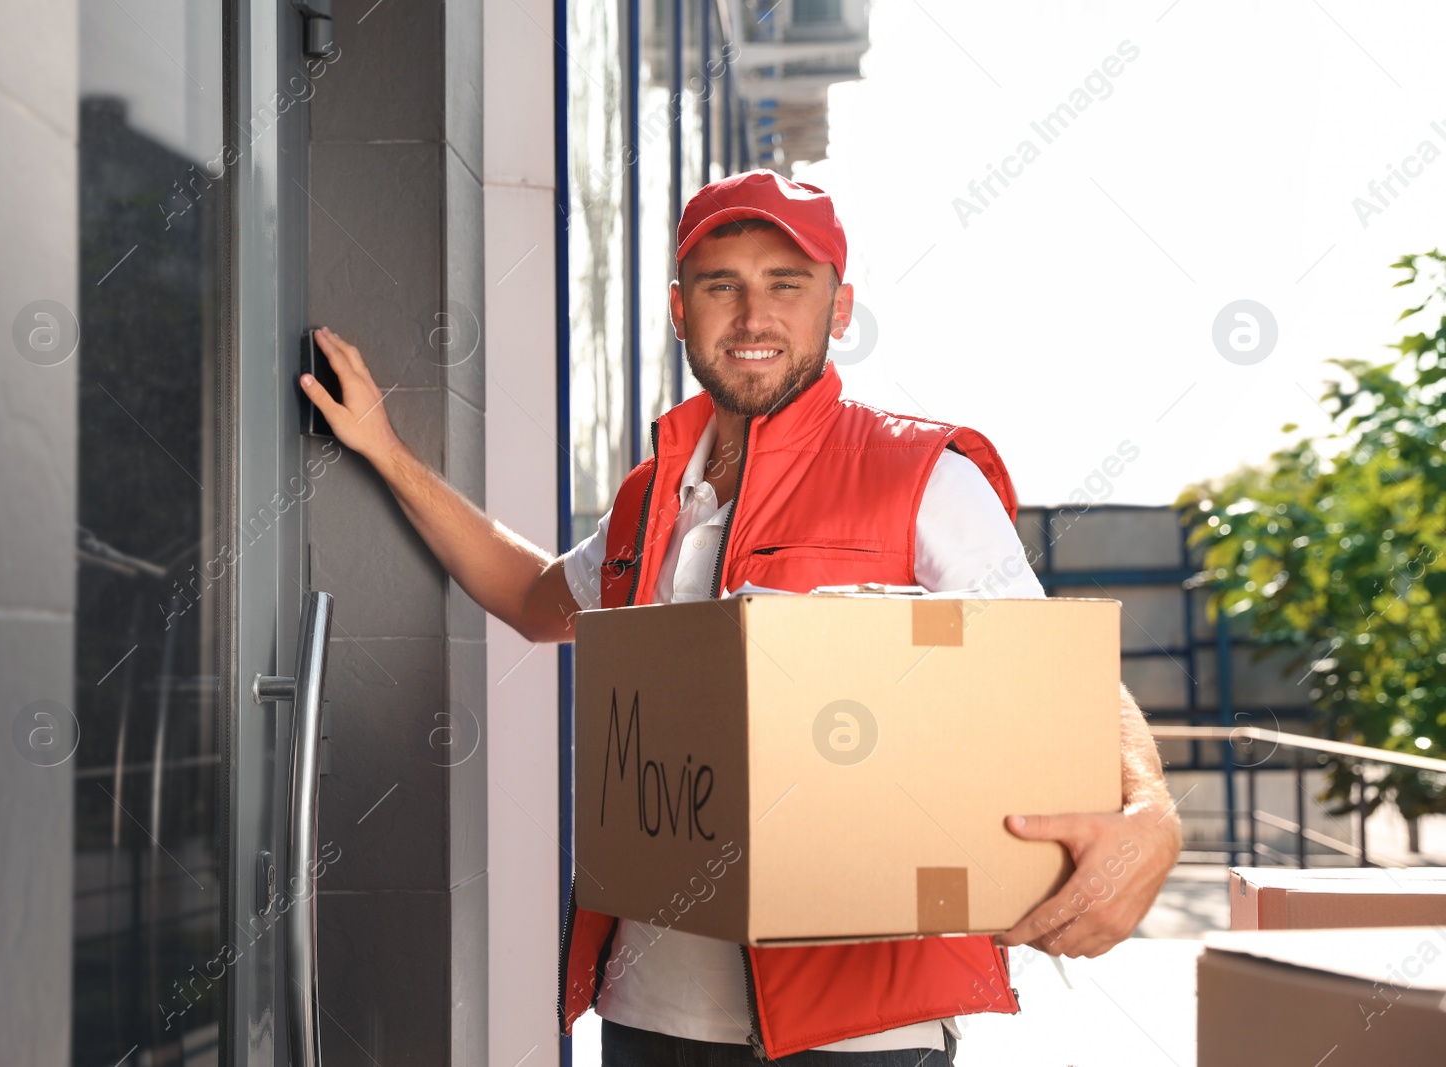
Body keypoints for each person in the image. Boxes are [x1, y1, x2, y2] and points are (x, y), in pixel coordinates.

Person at [300, 169, 1182, 1065]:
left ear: (839, 312)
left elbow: (1047, 668)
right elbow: (534, 600)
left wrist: (1151, 812)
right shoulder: (653, 499)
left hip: (857, 1030)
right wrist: (386, 448)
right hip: (650, 1013)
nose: (754, 316)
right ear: (681, 311)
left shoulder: (916, 473)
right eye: (723, 285)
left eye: (786, 285)